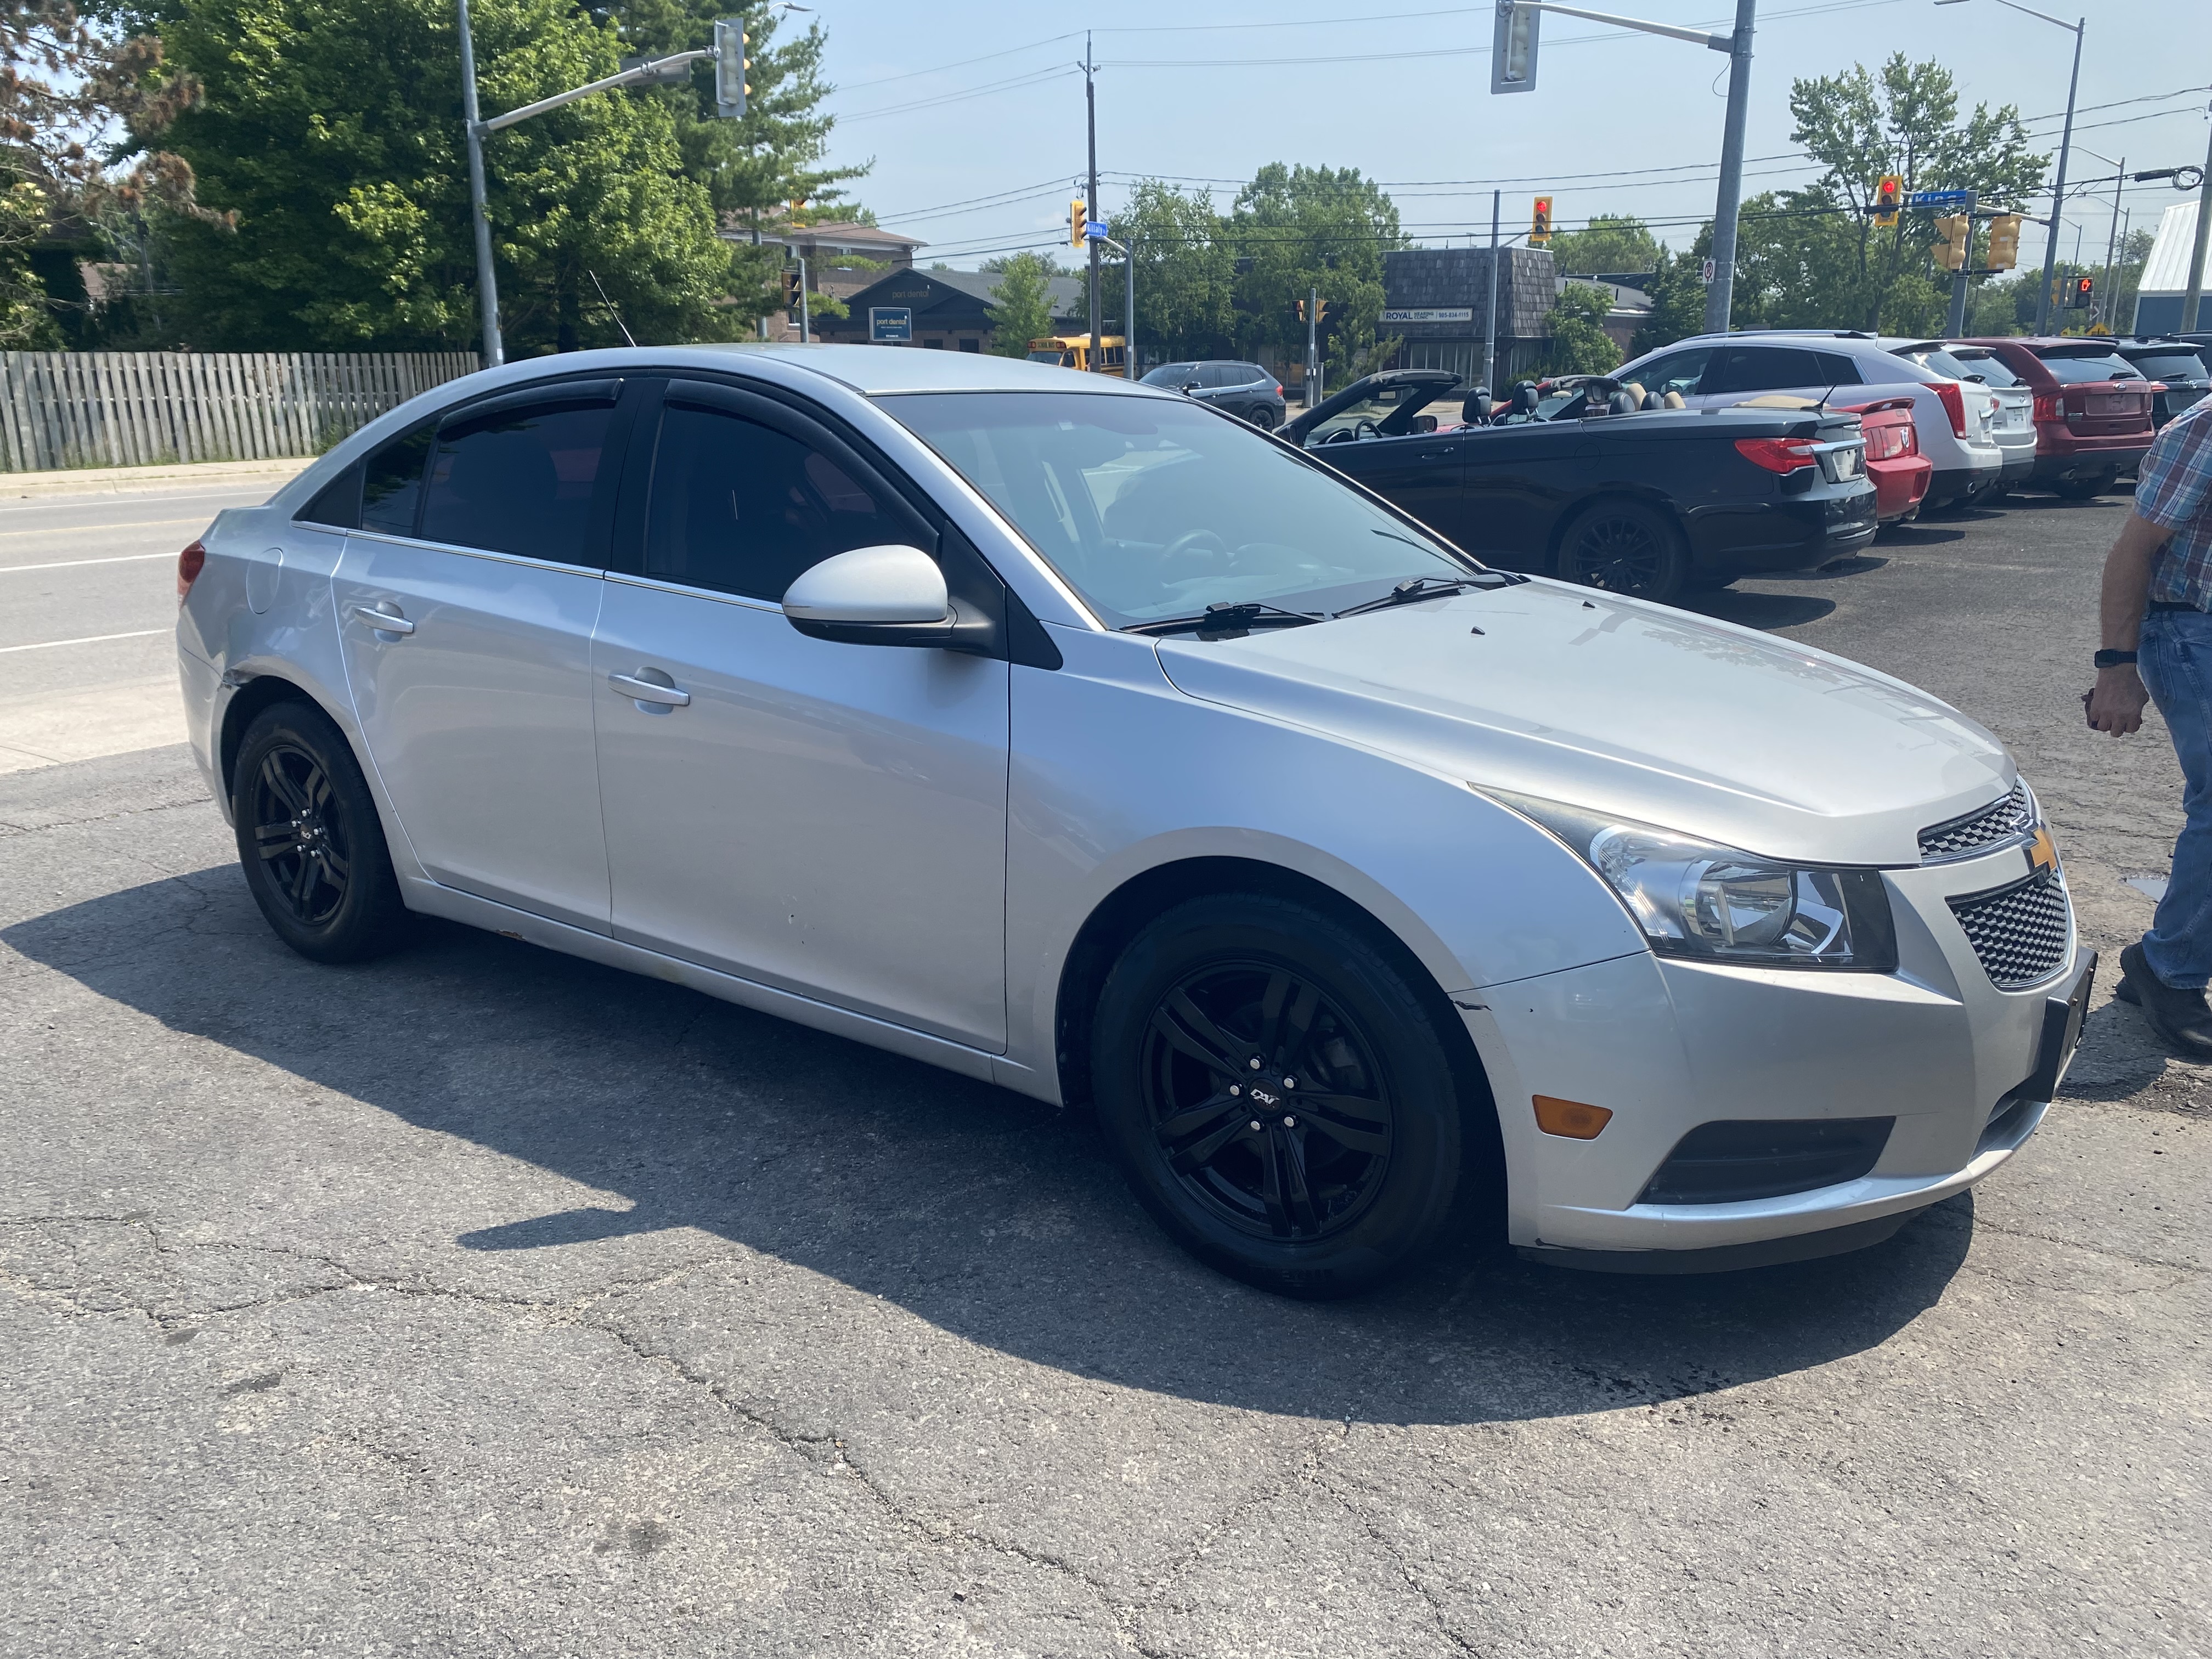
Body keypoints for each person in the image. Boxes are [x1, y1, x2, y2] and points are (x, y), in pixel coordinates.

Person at [2087, 385, 2212, 1053]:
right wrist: (2116, 668)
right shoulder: (2205, 430)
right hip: (2191, 631)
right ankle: (2171, 969)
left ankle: (2166, 951)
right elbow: (2131, 553)